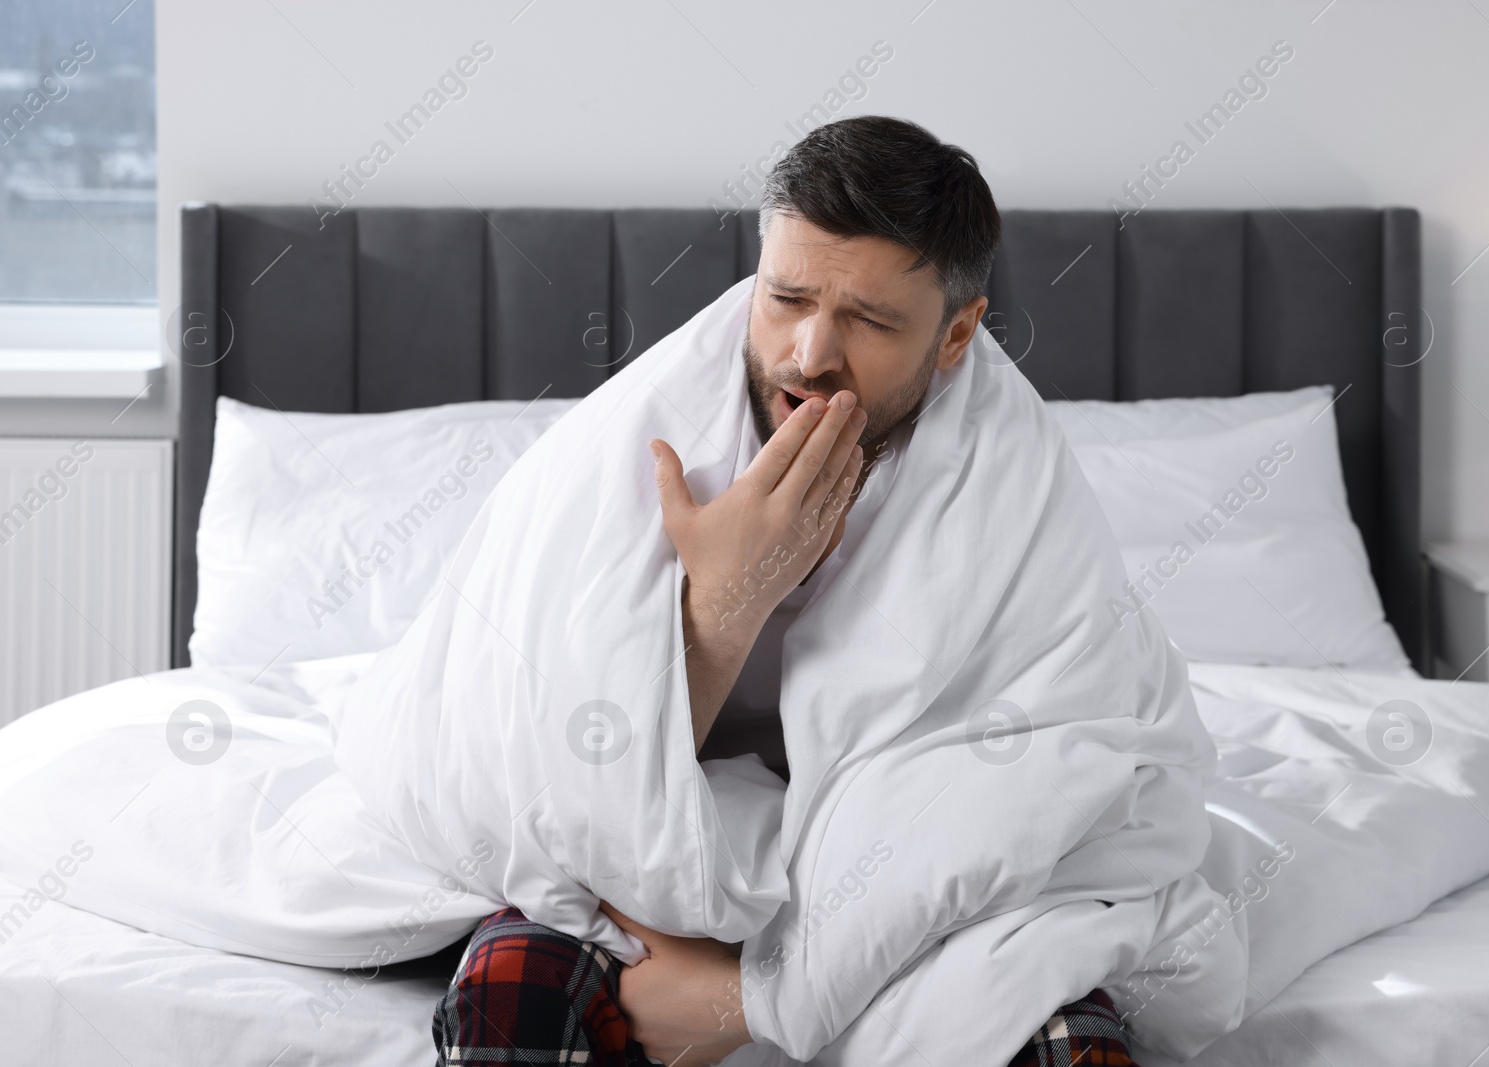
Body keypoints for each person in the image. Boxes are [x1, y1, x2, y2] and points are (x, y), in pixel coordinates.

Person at [431, 116, 1141, 1067]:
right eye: (786, 297)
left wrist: (762, 999)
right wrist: (725, 606)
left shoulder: (1015, 485)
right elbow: (548, 775)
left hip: (900, 890)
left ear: (957, 335)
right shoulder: (644, 436)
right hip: (636, 868)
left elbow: (1021, 793)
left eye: (872, 321)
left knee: (1065, 1036)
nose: (808, 354)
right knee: (512, 990)